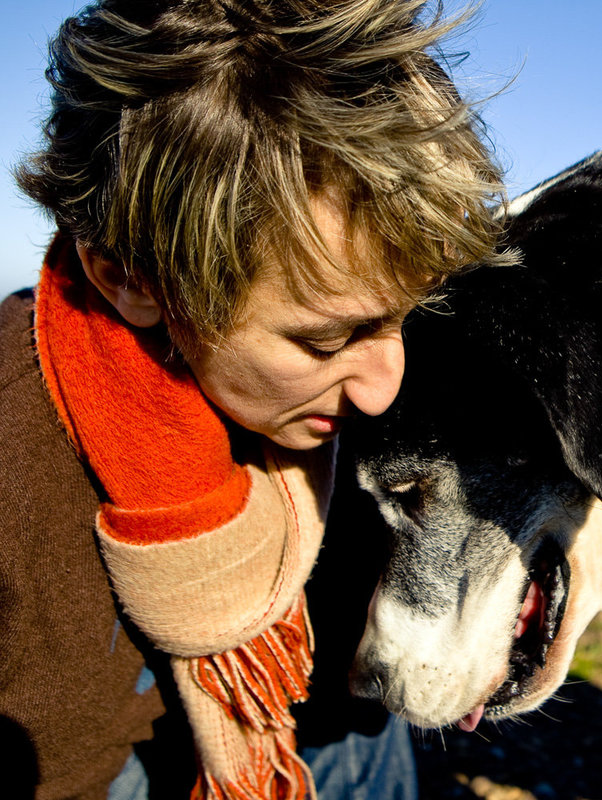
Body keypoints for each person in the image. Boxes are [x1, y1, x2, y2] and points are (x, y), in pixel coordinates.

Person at [0, 1, 508, 798]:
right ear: (130, 278)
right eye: (325, 341)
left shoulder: (343, 382)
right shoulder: (12, 470)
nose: (386, 391)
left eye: (410, 316)